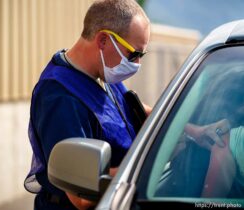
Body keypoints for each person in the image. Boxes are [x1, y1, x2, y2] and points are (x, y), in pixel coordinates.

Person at [24, 0, 151, 209]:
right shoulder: (60, 96)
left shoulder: (103, 73)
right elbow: (81, 194)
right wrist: (148, 165)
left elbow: (136, 111)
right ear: (103, 40)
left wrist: (187, 128)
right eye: (133, 54)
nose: (137, 64)